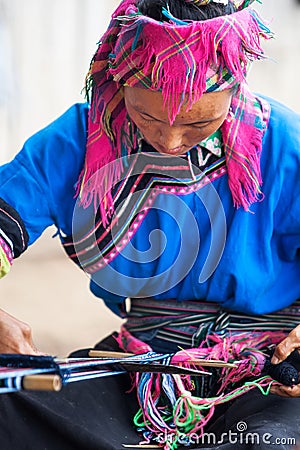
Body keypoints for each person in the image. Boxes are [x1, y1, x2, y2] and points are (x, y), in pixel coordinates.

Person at [0, 0, 300, 448]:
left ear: (235, 90)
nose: (170, 140)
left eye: (200, 121)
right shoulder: (76, 142)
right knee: (13, 401)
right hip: (143, 367)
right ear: (119, 83)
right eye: (147, 116)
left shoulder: (284, 144)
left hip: (269, 374)